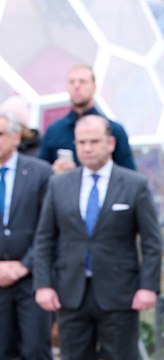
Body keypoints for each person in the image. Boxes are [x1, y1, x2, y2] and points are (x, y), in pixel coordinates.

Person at [33, 115, 162, 360]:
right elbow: (45, 239)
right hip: (70, 294)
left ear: (110, 143)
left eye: (94, 141)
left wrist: (148, 287)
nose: (88, 148)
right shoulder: (58, 185)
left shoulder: (135, 185)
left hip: (120, 295)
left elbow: (152, 242)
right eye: (81, 143)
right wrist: (44, 284)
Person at [0, 111, 52, 359]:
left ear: (15, 136)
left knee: (35, 350)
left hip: (32, 279)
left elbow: (50, 227)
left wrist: (23, 266)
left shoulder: (41, 172)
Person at [39, 65, 136, 174]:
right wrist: (53, 172)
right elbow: (40, 174)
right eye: (71, 82)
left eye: (82, 81)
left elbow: (129, 176)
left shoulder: (114, 130)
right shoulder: (54, 131)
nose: (76, 86)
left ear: (94, 87)